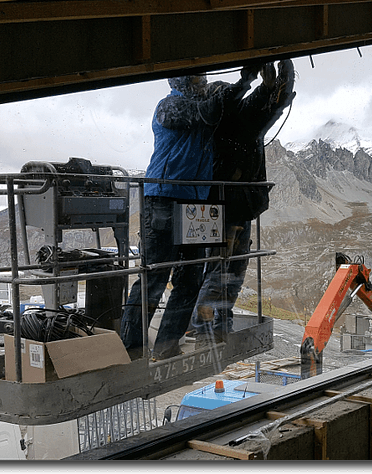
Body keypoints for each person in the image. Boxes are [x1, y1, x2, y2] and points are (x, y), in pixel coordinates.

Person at [121, 68, 258, 360]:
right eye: (198, 78)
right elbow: (208, 112)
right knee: (154, 277)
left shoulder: (197, 106)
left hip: (195, 204)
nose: (204, 82)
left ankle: (166, 344)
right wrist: (244, 82)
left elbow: (216, 109)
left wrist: (245, 85)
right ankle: (130, 349)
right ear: (182, 81)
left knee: (191, 278)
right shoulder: (170, 106)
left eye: (204, 78)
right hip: (163, 198)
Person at [191, 59, 296, 348]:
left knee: (223, 271)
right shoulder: (230, 121)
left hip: (229, 206)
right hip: (230, 207)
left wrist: (268, 87)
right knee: (224, 272)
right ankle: (206, 330)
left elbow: (260, 110)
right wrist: (271, 86)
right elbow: (260, 111)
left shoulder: (226, 120)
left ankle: (213, 328)